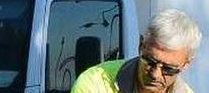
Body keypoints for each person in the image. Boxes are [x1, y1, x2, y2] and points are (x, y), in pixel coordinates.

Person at [71, 9, 201, 93]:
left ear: (186, 64)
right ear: (141, 45)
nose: (155, 74)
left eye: (168, 69)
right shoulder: (95, 83)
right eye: (150, 61)